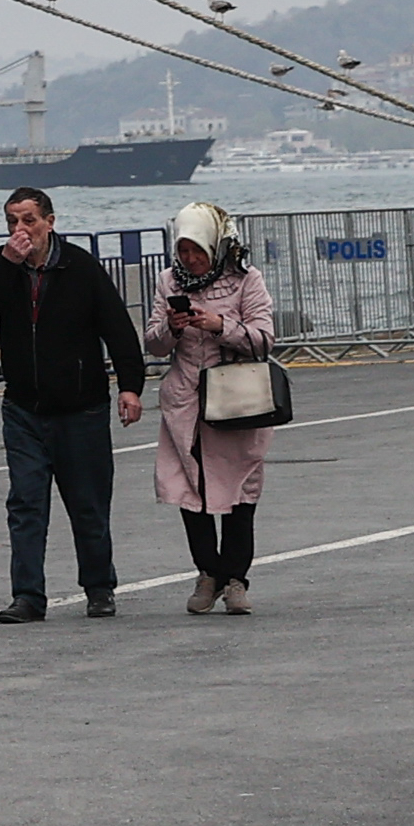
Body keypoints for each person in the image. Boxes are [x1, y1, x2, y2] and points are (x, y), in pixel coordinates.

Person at [0, 185, 142, 622]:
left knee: (88, 502)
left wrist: (130, 387)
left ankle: (99, 587)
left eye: (28, 220)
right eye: (12, 222)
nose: (20, 230)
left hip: (81, 408)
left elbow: (117, 328)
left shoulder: (80, 267)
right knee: (25, 504)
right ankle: (27, 595)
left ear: (50, 222)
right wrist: (7, 262)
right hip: (24, 408)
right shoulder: (3, 266)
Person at [146, 200, 280, 615]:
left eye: (198, 250)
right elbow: (151, 342)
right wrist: (172, 328)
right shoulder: (169, 281)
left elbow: (264, 338)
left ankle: (236, 578)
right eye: (184, 250)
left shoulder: (246, 279)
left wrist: (221, 326)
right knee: (190, 490)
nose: (190, 259)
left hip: (238, 400)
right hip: (185, 401)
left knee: (241, 489)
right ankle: (208, 572)